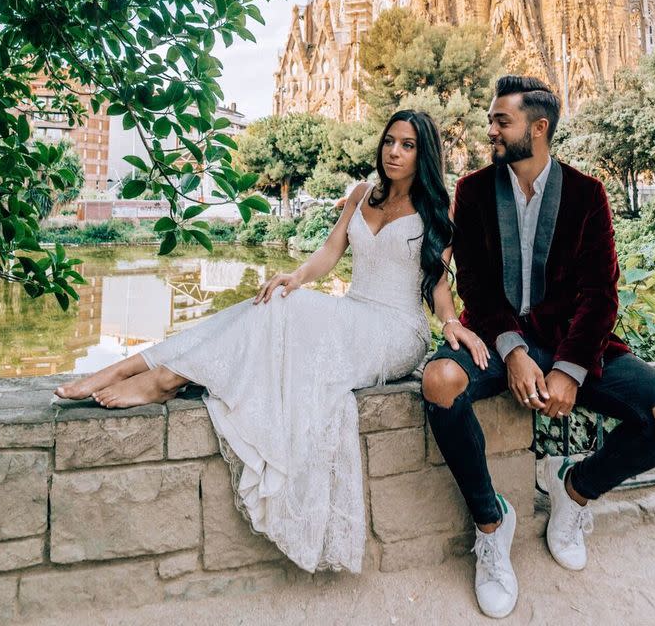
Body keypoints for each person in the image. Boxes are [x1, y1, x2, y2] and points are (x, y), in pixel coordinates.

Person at [55, 110, 489, 574]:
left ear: (424, 154)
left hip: (396, 331)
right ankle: (148, 369)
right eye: (389, 141)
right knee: (277, 301)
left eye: (407, 144)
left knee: (290, 311)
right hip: (354, 311)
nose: (394, 152)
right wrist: (296, 276)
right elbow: (329, 251)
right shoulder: (362, 195)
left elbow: (438, 287)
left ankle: (161, 374)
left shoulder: (437, 210)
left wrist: (450, 323)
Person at [422, 76, 655, 620]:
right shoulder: (475, 190)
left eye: (502, 121)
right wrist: (514, 352)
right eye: (491, 120)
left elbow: (601, 294)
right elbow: (475, 287)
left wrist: (572, 370)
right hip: (499, 338)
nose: (492, 130)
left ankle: (574, 490)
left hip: (574, 342)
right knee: (439, 382)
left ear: (539, 127)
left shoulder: (586, 193)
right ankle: (490, 522)